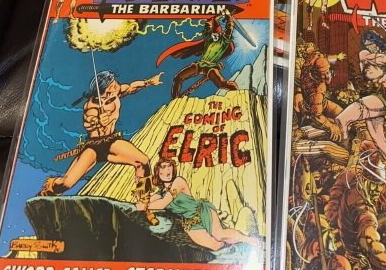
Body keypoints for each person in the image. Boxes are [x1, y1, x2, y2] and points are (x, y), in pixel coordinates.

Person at [38, 70, 164, 225]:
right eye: (113, 84)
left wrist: (149, 82)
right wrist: (98, 121)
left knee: (142, 161)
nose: (117, 86)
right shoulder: (91, 106)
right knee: (67, 183)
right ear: (106, 89)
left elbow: (131, 87)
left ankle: (144, 206)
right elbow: (88, 123)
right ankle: (50, 188)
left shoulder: (116, 93)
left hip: (112, 142)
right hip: (94, 147)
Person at [143, 158, 260, 250]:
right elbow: (147, 201)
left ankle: (247, 240)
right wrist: (143, 202)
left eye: (169, 166)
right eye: (164, 167)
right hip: (189, 223)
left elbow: (162, 203)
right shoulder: (161, 193)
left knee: (219, 234)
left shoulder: (178, 181)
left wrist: (145, 205)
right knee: (215, 246)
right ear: (158, 172)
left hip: (201, 211)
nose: (168, 170)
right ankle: (233, 249)